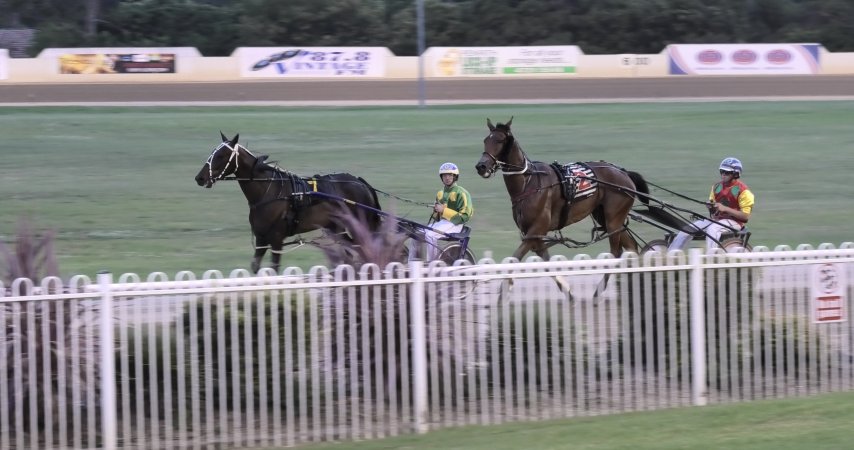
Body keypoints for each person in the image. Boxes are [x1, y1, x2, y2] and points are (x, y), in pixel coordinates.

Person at [668, 157, 754, 252]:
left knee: (713, 229)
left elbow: (745, 217)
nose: (723, 175)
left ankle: (711, 258)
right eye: (722, 171)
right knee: (687, 229)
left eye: (727, 172)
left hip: (735, 223)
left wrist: (725, 209)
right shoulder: (716, 187)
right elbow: (713, 214)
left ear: (735, 174)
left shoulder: (744, 191)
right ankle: (671, 256)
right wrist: (711, 207)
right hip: (717, 220)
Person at [411, 162, 474, 261]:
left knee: (430, 235)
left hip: (456, 225)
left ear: (455, 176)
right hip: (442, 224)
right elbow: (437, 218)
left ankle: (432, 264)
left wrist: (444, 210)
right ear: (441, 177)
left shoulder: (462, 193)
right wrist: (436, 211)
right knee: (415, 234)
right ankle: (412, 263)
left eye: (450, 175)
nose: (447, 177)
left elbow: (465, 216)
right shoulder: (440, 193)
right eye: (444, 175)